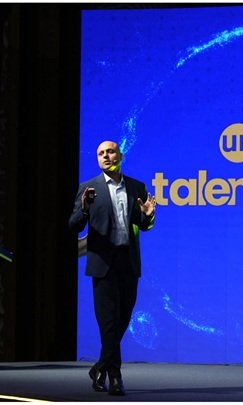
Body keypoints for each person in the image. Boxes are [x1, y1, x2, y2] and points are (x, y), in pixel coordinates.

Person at [69, 140, 156, 396]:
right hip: (102, 264)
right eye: (101, 153)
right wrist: (84, 209)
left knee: (122, 320)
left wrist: (148, 215)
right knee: (107, 323)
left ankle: (99, 366)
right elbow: (74, 225)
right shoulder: (88, 188)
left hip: (128, 264)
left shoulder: (136, 187)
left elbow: (144, 225)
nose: (106, 156)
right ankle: (115, 376)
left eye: (110, 151)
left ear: (120, 155)